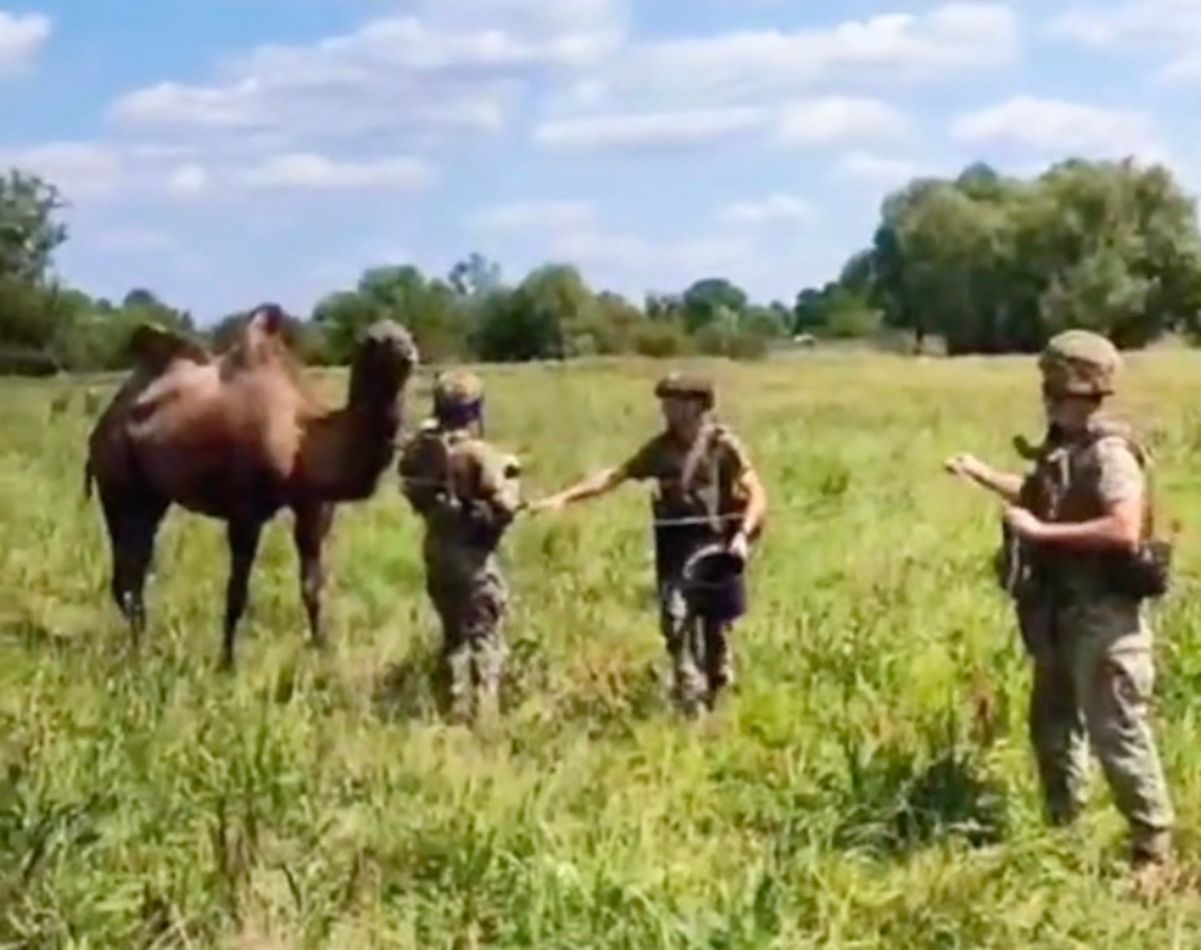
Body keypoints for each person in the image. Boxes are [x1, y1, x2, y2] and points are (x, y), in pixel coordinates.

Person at [945, 329, 1174, 876]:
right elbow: (1036, 493)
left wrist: (1038, 534)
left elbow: (1122, 529)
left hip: (1105, 620)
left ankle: (1152, 851)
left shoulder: (1111, 454)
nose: (1045, 398)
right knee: (1051, 726)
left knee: (1116, 733)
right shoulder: (1067, 449)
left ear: (1078, 390)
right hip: (1061, 616)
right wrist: (980, 474)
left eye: (1054, 388)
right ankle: (1062, 830)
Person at [533, 372, 768, 715]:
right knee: (676, 621)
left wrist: (742, 536)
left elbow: (757, 494)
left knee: (715, 625)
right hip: (674, 548)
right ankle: (690, 698)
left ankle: (719, 692)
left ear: (697, 405)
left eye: (675, 401)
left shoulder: (722, 445)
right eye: (665, 401)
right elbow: (615, 477)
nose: (666, 409)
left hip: (715, 545)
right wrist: (564, 498)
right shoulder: (660, 450)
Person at [398, 369, 522, 723]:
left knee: (454, 636)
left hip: (437, 552)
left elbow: (409, 482)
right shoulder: (476, 453)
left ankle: (452, 707)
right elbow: (505, 506)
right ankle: (484, 718)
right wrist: (511, 475)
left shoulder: (421, 451)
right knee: (485, 637)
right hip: (474, 558)